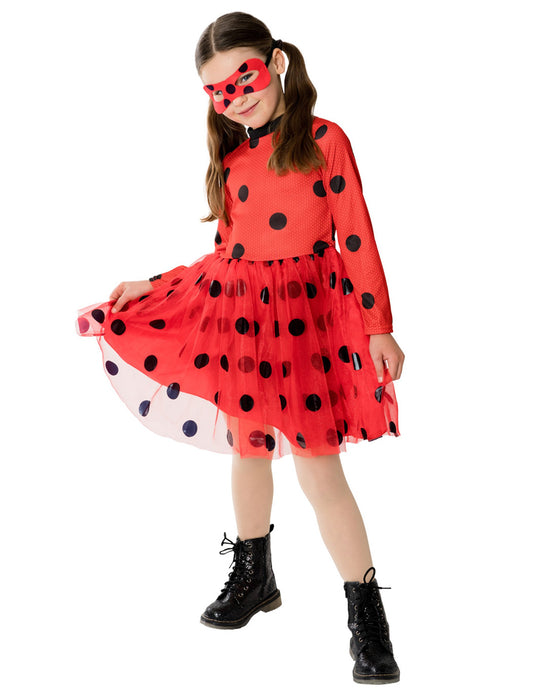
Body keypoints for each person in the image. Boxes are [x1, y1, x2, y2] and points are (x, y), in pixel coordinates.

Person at [77, 11, 405, 685]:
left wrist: (379, 325)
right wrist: (154, 284)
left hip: (306, 325)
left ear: (276, 62)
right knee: (248, 449)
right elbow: (226, 255)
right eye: (218, 89)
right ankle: (255, 577)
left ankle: (367, 617)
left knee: (319, 471)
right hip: (244, 324)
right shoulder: (231, 161)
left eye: (244, 76)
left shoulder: (324, 140)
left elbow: (356, 236)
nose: (235, 96)